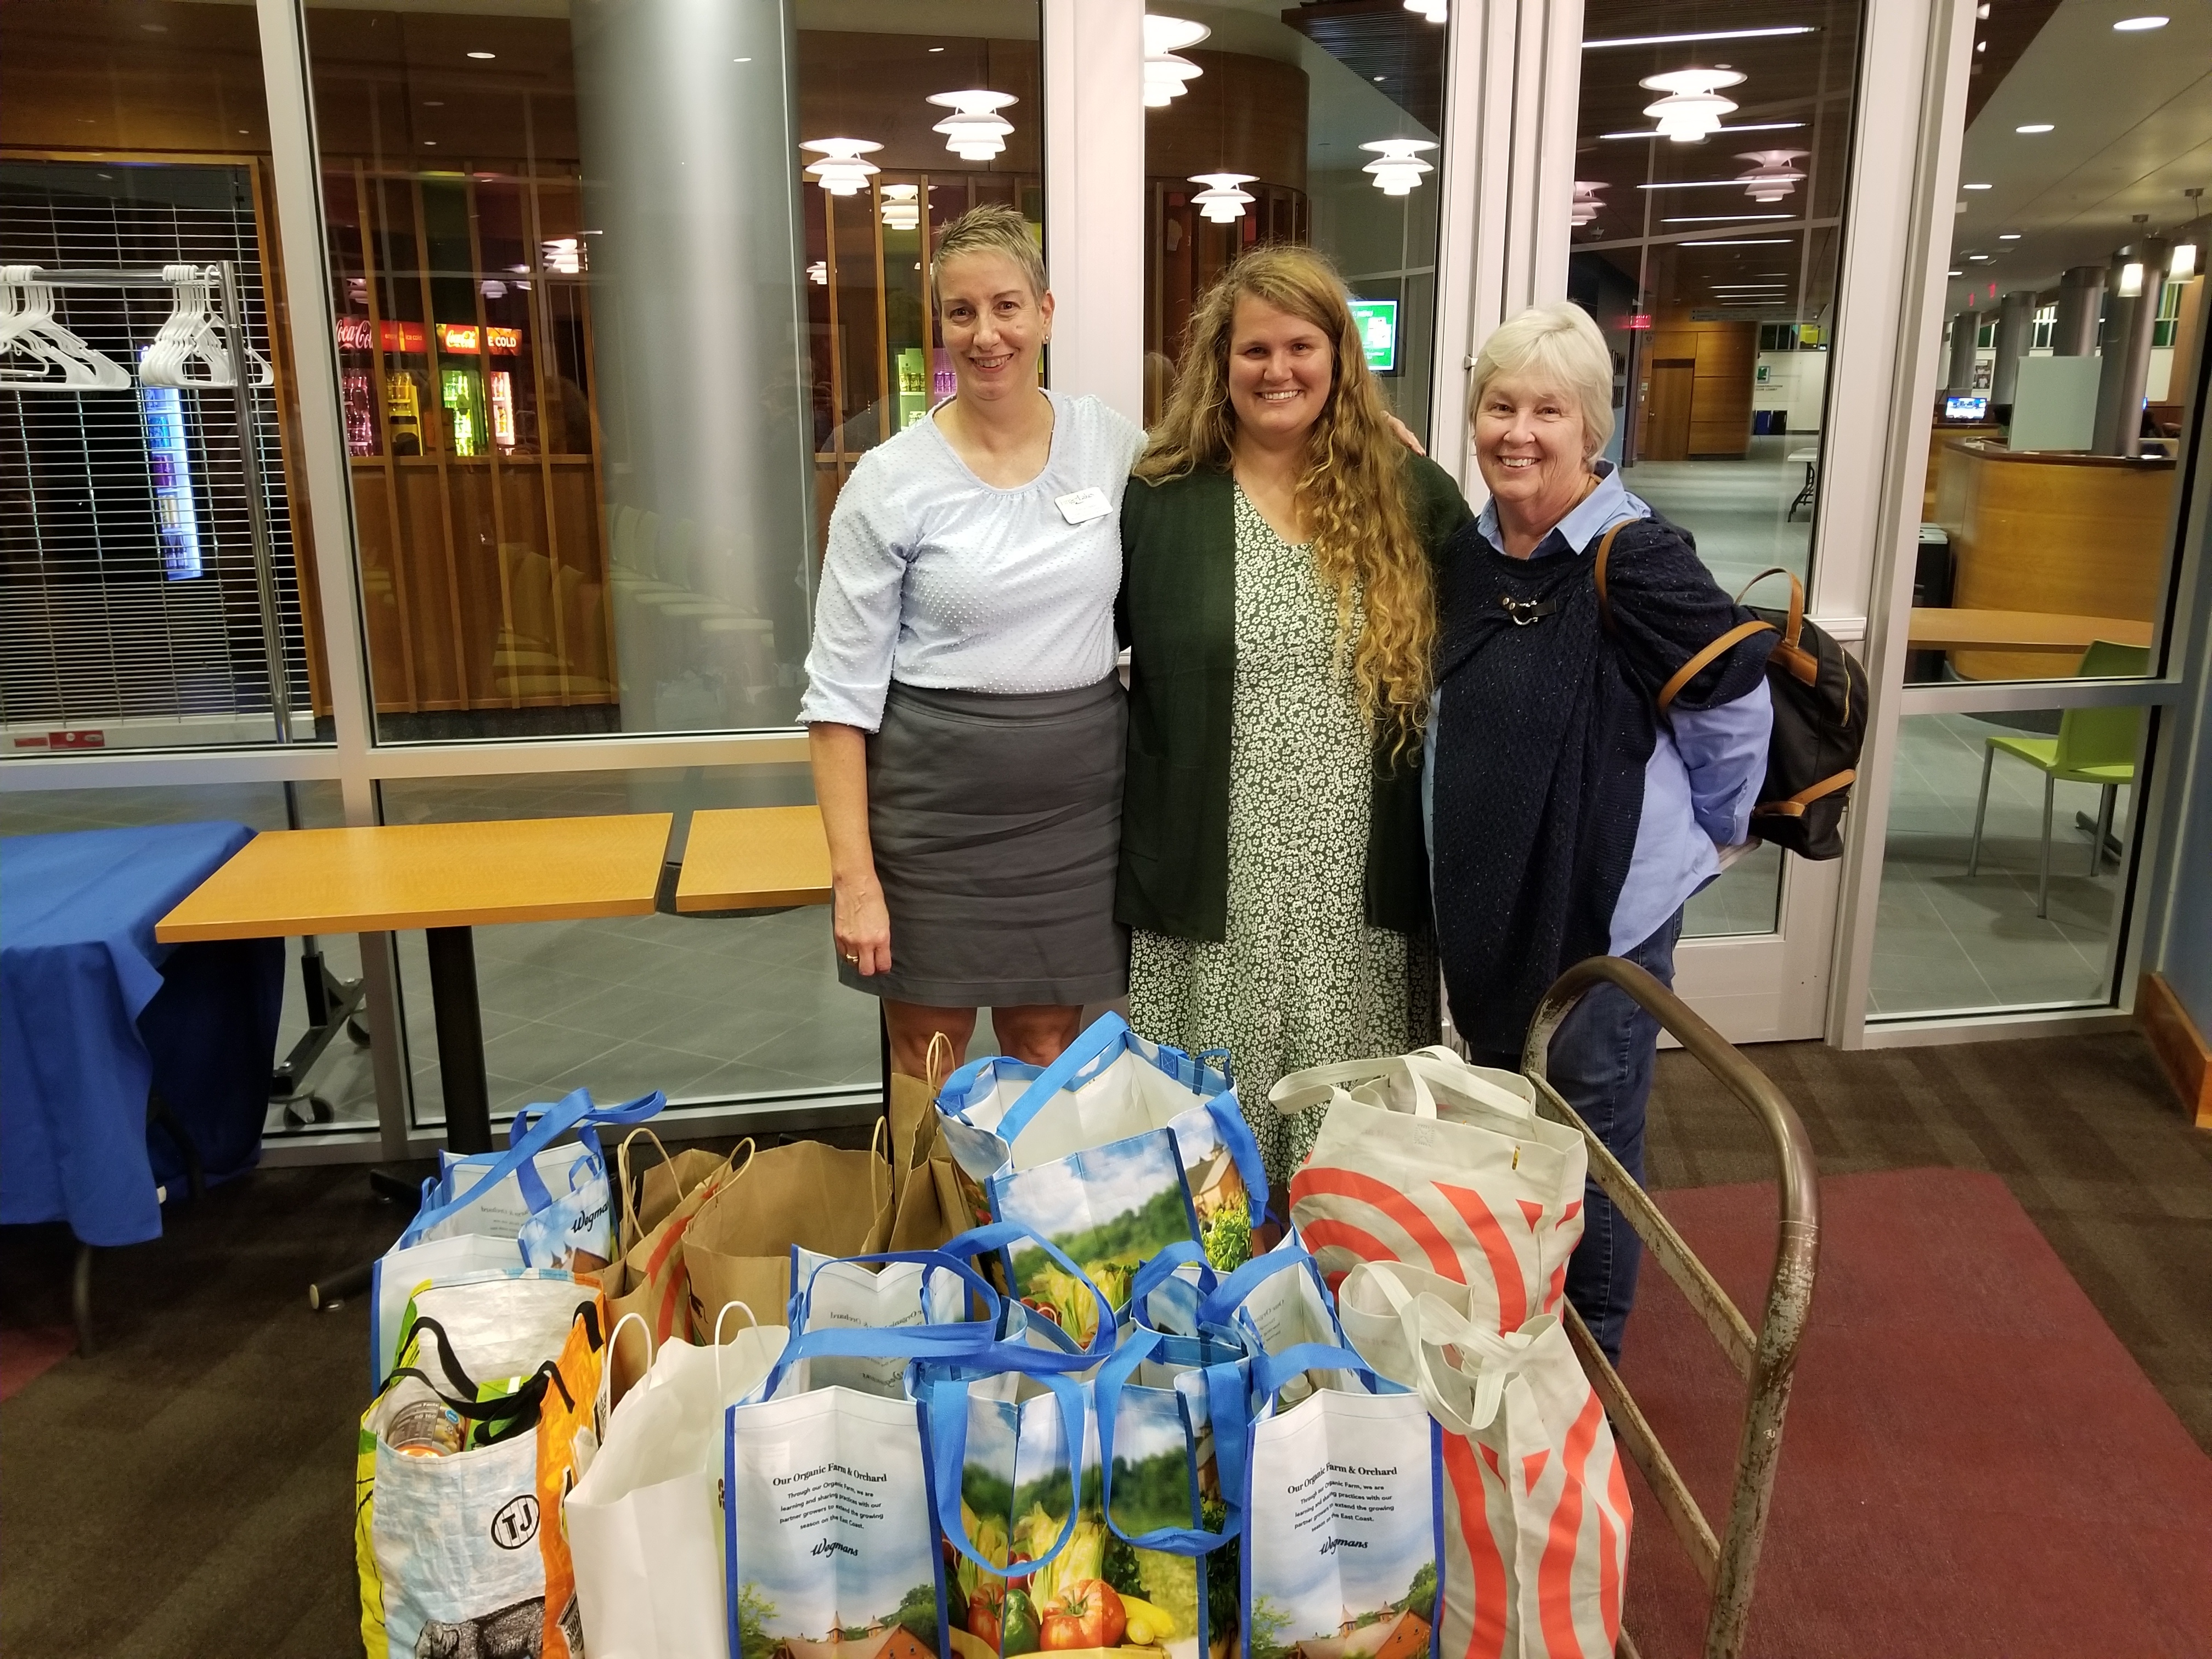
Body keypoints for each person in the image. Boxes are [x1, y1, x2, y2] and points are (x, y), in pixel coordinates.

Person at [1427, 301, 1774, 1364]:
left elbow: (1733, 706)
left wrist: (1708, 839)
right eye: (1499, 406)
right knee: (1507, 1121)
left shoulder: (1638, 557)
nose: (1518, 433)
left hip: (1603, 915)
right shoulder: (1473, 553)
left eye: (1548, 410)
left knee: (1588, 1138)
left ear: (1593, 431)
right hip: (1492, 900)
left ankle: (1590, 1366)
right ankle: (1515, 1329)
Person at [1117, 245, 1472, 1192]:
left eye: (1301, 347)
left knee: (1345, 1127)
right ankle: (1217, 1303)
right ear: (1219, 365)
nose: (1278, 371)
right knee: (1209, 1137)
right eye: (1255, 350)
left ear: (1340, 357)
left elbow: (1496, 631)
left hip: (1356, 879)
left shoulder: (1410, 497)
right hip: (1212, 870)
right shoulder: (1161, 499)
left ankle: (1334, 1290)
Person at [800, 205, 1143, 1076]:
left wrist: (1365, 438)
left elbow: (1233, 473)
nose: (986, 334)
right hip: (931, 821)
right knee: (928, 1050)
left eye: (1006, 307)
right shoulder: (890, 482)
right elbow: (838, 700)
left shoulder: (1110, 442)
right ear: (942, 326)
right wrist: (856, 881)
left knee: (1046, 1045)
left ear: (1046, 313)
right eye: (962, 313)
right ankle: (935, 1218)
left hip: (1074, 817)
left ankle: (1024, 1217)